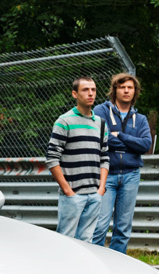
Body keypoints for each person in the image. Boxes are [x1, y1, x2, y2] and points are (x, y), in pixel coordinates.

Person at [92, 73, 153, 253]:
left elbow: (146, 145)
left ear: (135, 92)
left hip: (130, 175)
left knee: (123, 227)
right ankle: (93, 265)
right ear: (115, 90)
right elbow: (102, 138)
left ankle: (118, 268)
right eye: (122, 87)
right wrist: (130, 143)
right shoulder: (101, 111)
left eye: (130, 87)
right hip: (106, 175)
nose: (126, 91)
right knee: (100, 225)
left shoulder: (140, 118)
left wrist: (122, 136)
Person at [45, 77, 108, 240]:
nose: (90, 94)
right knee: (65, 240)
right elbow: (52, 158)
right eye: (85, 90)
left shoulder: (101, 124)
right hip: (73, 195)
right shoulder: (64, 121)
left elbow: (105, 158)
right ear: (75, 94)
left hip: (94, 194)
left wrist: (100, 189)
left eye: (93, 90)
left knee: (86, 242)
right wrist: (67, 190)